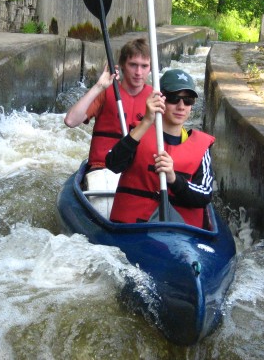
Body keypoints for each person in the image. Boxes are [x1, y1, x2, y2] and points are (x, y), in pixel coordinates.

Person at [106, 69, 215, 228]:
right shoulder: (138, 133)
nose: (181, 106)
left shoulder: (201, 147)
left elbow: (205, 194)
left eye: (188, 100)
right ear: (160, 100)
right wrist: (147, 121)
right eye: (173, 98)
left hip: (180, 235)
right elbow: (113, 163)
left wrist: (173, 178)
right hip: (132, 231)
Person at [64, 38, 152, 173]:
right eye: (133, 65)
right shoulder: (106, 91)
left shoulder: (156, 98)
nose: (138, 72)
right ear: (122, 65)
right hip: (103, 168)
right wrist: (99, 86)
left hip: (138, 172)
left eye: (144, 66)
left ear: (150, 67)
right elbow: (71, 121)